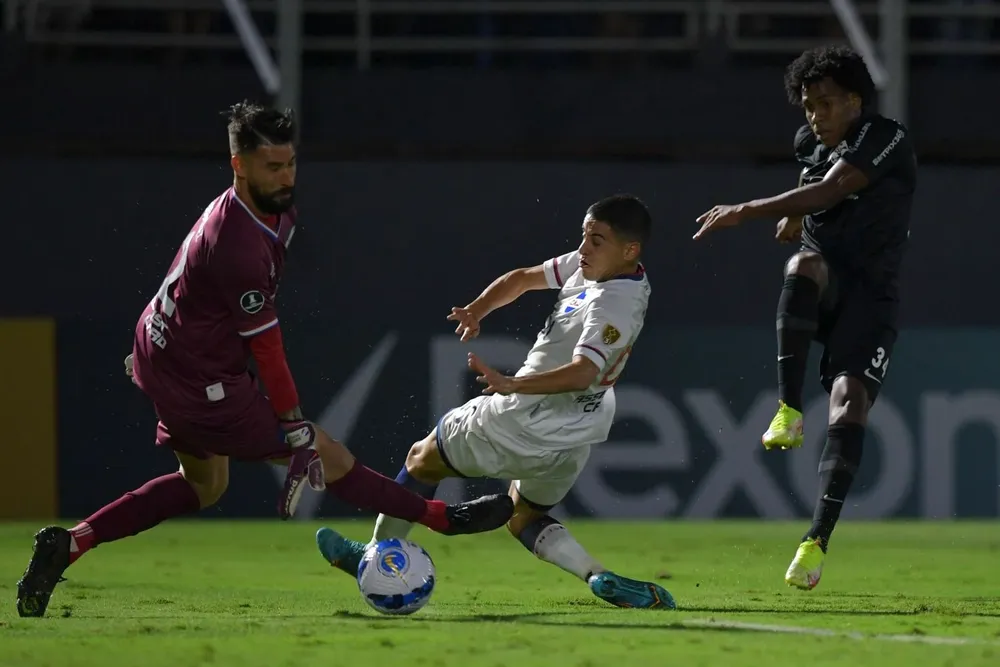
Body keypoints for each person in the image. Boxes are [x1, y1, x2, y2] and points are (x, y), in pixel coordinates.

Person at [15, 101, 513, 618]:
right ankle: (441, 518)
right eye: (272, 167)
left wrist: (158, 351)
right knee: (328, 451)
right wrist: (294, 426)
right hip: (200, 379)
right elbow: (266, 347)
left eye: (291, 163)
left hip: (167, 350)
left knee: (204, 486)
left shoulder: (266, 209)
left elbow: (186, 282)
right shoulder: (237, 244)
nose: (285, 176)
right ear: (238, 165)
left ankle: (69, 543)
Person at [315, 194, 675, 610]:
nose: (583, 248)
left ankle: (374, 554)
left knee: (422, 458)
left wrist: (512, 385)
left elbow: (583, 372)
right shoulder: (595, 266)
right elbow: (523, 278)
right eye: (584, 236)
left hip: (525, 415)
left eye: (596, 240)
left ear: (630, 250)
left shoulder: (615, 304)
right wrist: (477, 309)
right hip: (578, 432)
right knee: (524, 516)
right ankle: (598, 575)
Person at [693, 45, 916, 590]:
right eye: (808, 105)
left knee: (850, 402)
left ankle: (815, 542)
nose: (816, 115)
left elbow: (834, 187)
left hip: (871, 297)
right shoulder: (810, 142)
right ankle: (789, 409)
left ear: (855, 101)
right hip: (827, 279)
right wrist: (796, 208)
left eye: (826, 103)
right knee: (805, 263)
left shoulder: (884, 137)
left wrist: (751, 209)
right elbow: (814, 176)